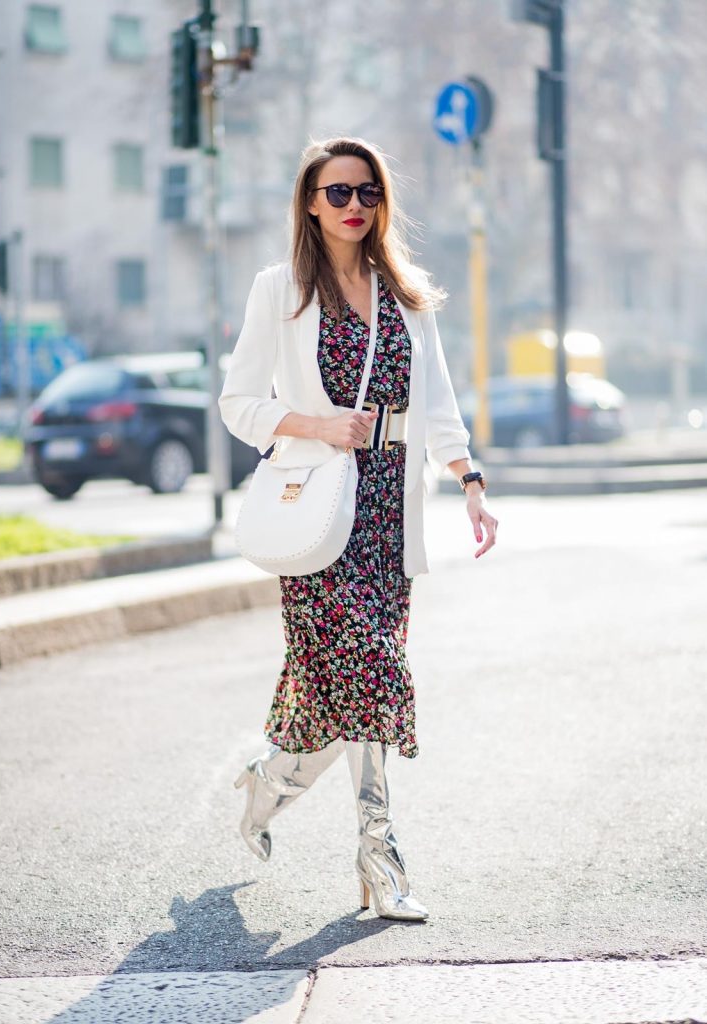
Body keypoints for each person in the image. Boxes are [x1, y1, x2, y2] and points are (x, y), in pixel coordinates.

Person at [219, 136, 498, 922]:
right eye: (337, 193)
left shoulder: (403, 295)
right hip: (318, 514)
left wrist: (469, 481)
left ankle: (268, 782)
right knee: (372, 678)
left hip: (386, 512)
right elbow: (238, 405)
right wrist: (316, 422)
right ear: (310, 202)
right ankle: (381, 859)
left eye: (367, 193)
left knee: (338, 698)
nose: (352, 206)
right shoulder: (280, 290)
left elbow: (436, 402)